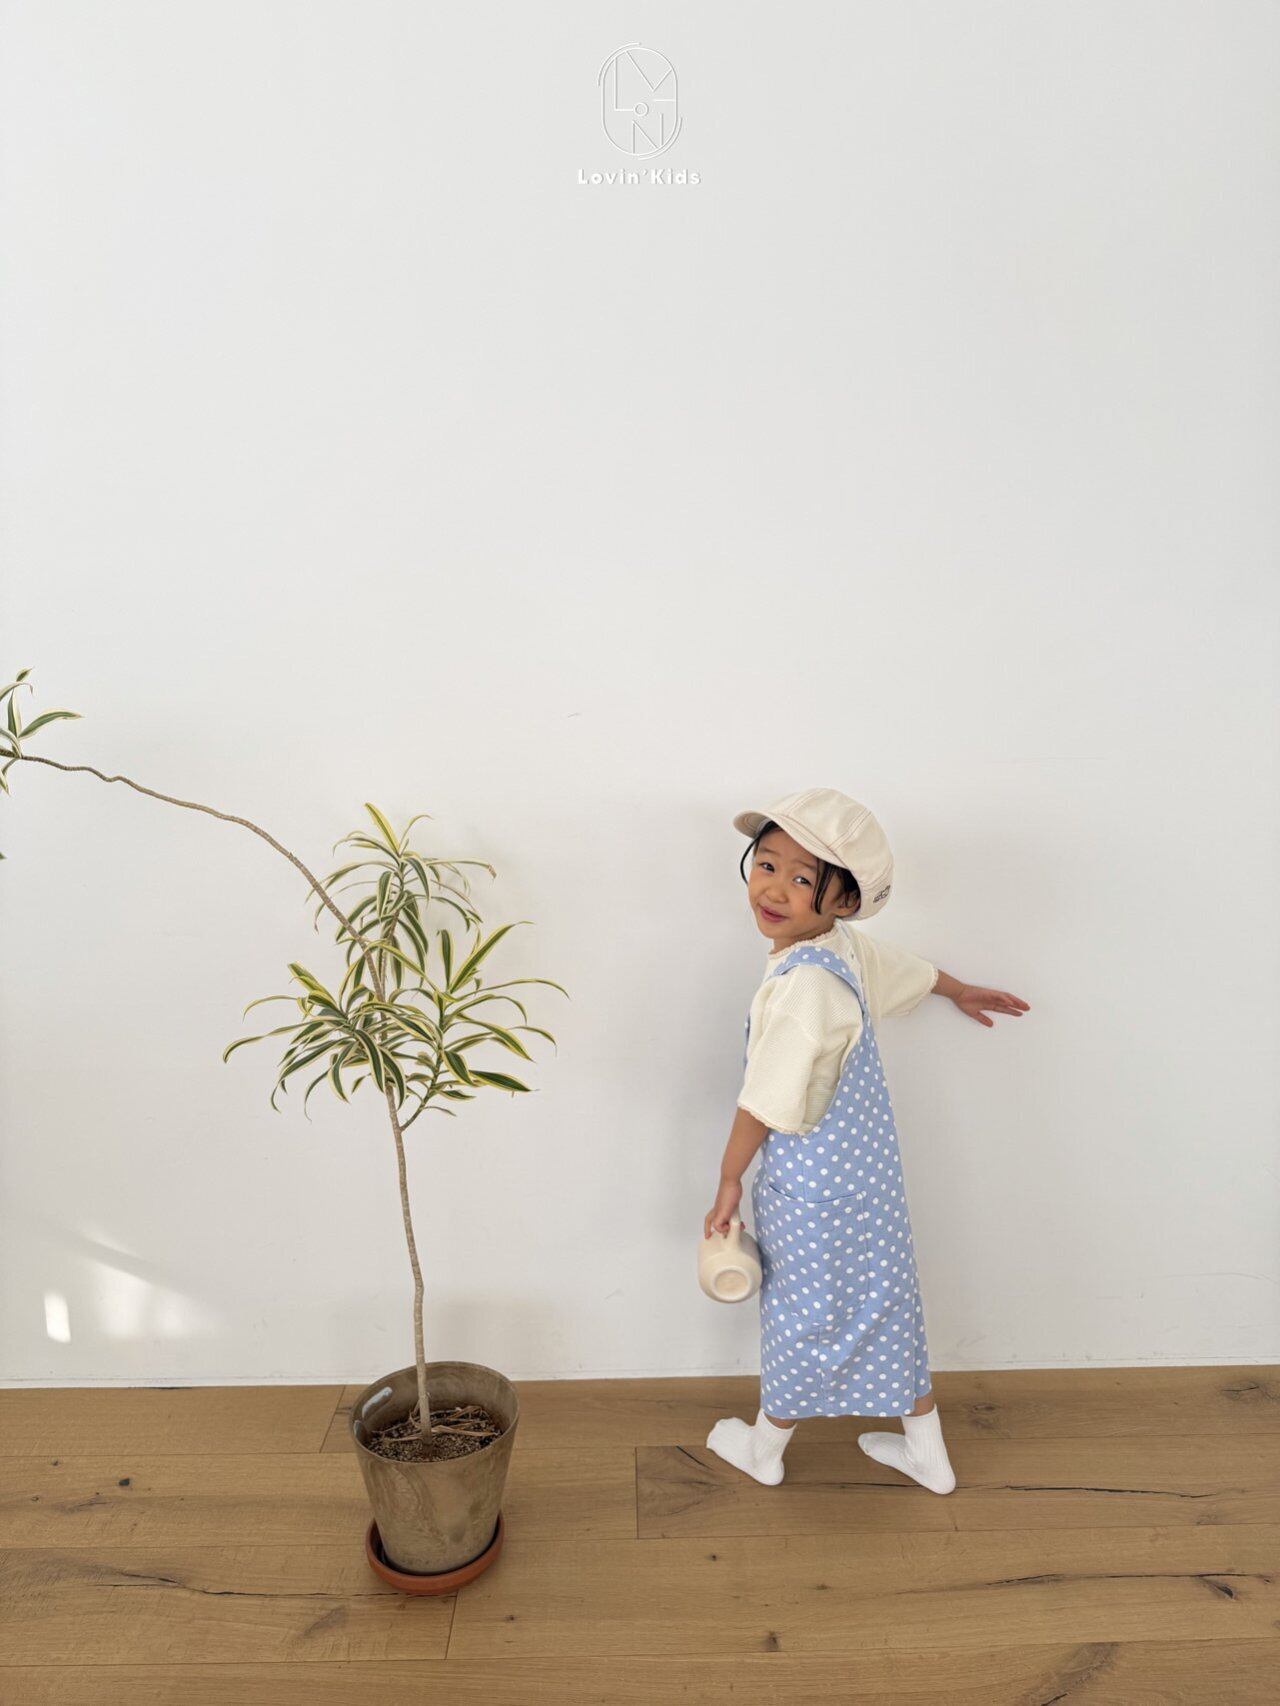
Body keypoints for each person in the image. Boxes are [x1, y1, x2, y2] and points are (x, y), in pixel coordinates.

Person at [704, 788, 1030, 1491]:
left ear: (845, 900)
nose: (774, 889)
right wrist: (957, 989)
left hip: (813, 1191)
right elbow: (906, 968)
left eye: (802, 879)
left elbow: (763, 1100)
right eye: (767, 864)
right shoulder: (841, 950)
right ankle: (929, 1456)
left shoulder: (804, 988)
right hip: (871, 1184)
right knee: (887, 1304)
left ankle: (764, 1450)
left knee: (803, 1315)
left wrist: (730, 1180)